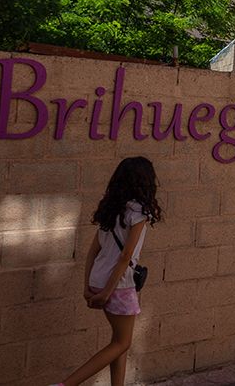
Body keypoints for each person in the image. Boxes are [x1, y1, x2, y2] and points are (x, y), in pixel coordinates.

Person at [56, 156, 163, 386]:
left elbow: (92, 252)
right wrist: (107, 292)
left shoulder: (111, 210)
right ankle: (65, 384)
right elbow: (126, 256)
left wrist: (87, 286)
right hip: (118, 285)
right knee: (123, 343)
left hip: (98, 280)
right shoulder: (138, 213)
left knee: (118, 342)